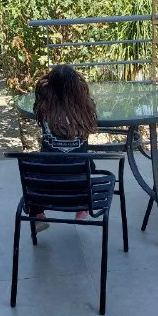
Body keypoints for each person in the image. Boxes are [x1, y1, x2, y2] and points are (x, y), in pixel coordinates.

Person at [31, 65, 99, 232]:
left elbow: (37, 103)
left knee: (33, 169)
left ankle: (38, 214)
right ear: (77, 87)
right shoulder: (86, 110)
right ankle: (83, 208)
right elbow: (88, 99)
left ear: (50, 87)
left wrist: (39, 88)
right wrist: (82, 85)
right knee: (88, 166)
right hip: (78, 182)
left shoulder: (44, 109)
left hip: (48, 183)